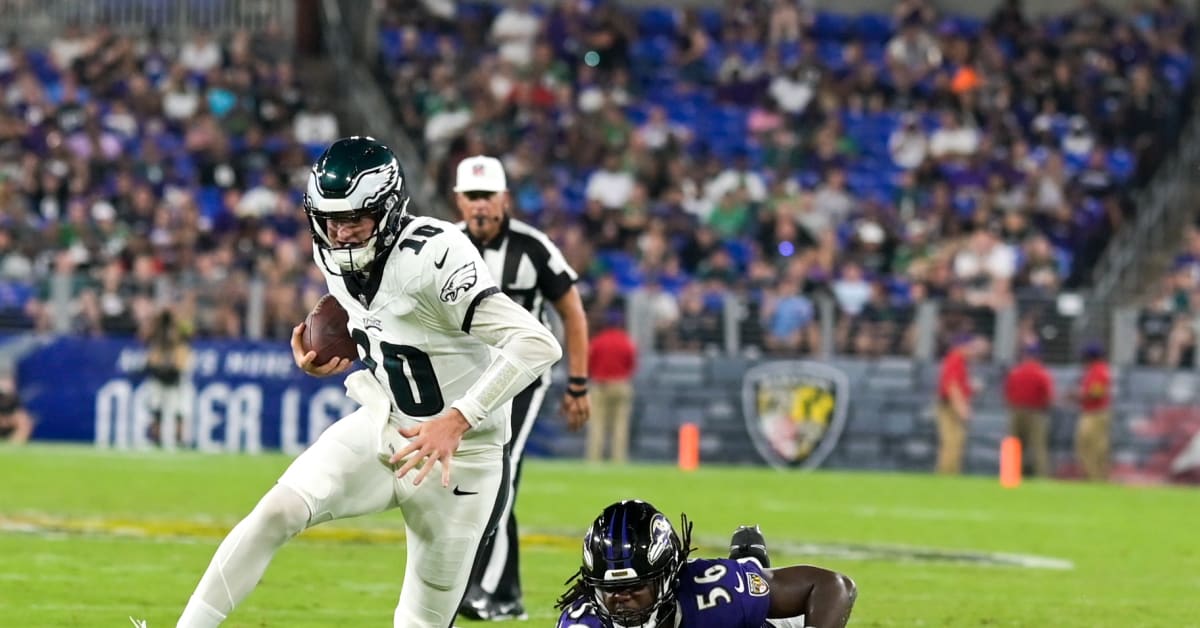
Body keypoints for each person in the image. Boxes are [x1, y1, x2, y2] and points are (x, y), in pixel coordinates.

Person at [175, 137, 562, 628]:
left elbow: (537, 343)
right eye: (331, 220)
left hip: (462, 460)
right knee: (278, 511)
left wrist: (459, 419)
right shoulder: (330, 252)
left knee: (419, 620)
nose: (342, 234)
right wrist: (340, 351)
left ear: (389, 210)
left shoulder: (434, 254)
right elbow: (392, 324)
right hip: (387, 424)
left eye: (356, 219)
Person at [453, 154, 590, 621]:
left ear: (504, 198)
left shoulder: (533, 248)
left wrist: (578, 383)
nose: (480, 206)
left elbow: (572, 311)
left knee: (500, 473)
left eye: (487, 196)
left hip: (524, 378)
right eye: (472, 197)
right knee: (488, 478)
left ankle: (479, 587)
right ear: (459, 200)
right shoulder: (447, 245)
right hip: (470, 378)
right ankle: (508, 595)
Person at [555, 500, 857, 628]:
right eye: (609, 588)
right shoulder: (582, 622)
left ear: (666, 577)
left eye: (634, 586)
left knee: (760, 588)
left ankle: (750, 558)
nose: (619, 598)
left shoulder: (717, 593)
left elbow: (833, 585)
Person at [586, 311, 637, 463]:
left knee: (597, 425)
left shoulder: (597, 341)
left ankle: (594, 459)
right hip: (620, 384)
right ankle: (618, 459)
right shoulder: (626, 341)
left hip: (600, 385)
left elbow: (589, 363)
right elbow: (632, 364)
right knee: (620, 426)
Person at [935, 333, 989, 474]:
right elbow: (952, 386)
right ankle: (946, 474)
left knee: (956, 441)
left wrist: (971, 388)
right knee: (952, 441)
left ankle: (950, 473)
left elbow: (958, 384)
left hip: (951, 403)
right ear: (962, 346)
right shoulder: (955, 359)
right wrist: (962, 408)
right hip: (949, 405)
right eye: (970, 347)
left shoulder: (960, 361)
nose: (972, 351)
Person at [1002, 342, 1054, 477]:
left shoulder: (1015, 372)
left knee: (1013, 444)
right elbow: (1048, 396)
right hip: (1035, 413)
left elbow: (1007, 392)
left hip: (1016, 411)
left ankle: (1010, 475)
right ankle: (1041, 476)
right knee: (1038, 446)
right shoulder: (1041, 373)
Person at [143, 308, 191, 449]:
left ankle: (179, 439)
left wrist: (176, 318)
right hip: (159, 378)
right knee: (157, 409)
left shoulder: (180, 341)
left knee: (179, 410)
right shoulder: (157, 340)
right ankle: (156, 438)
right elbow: (145, 337)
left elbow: (188, 330)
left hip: (175, 379)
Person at [1072, 342, 1112, 481]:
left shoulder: (1099, 370)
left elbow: (1097, 393)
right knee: (1088, 446)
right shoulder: (1095, 370)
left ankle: (1096, 477)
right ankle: (1092, 476)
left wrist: (1077, 395)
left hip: (1095, 414)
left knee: (1093, 447)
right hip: (1093, 413)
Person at [0, 374, 34, 445]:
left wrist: (8, 420)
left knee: (24, 421)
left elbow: (19, 413)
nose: (6, 384)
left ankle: (14, 446)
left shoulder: (14, 398)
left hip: (9, 424)